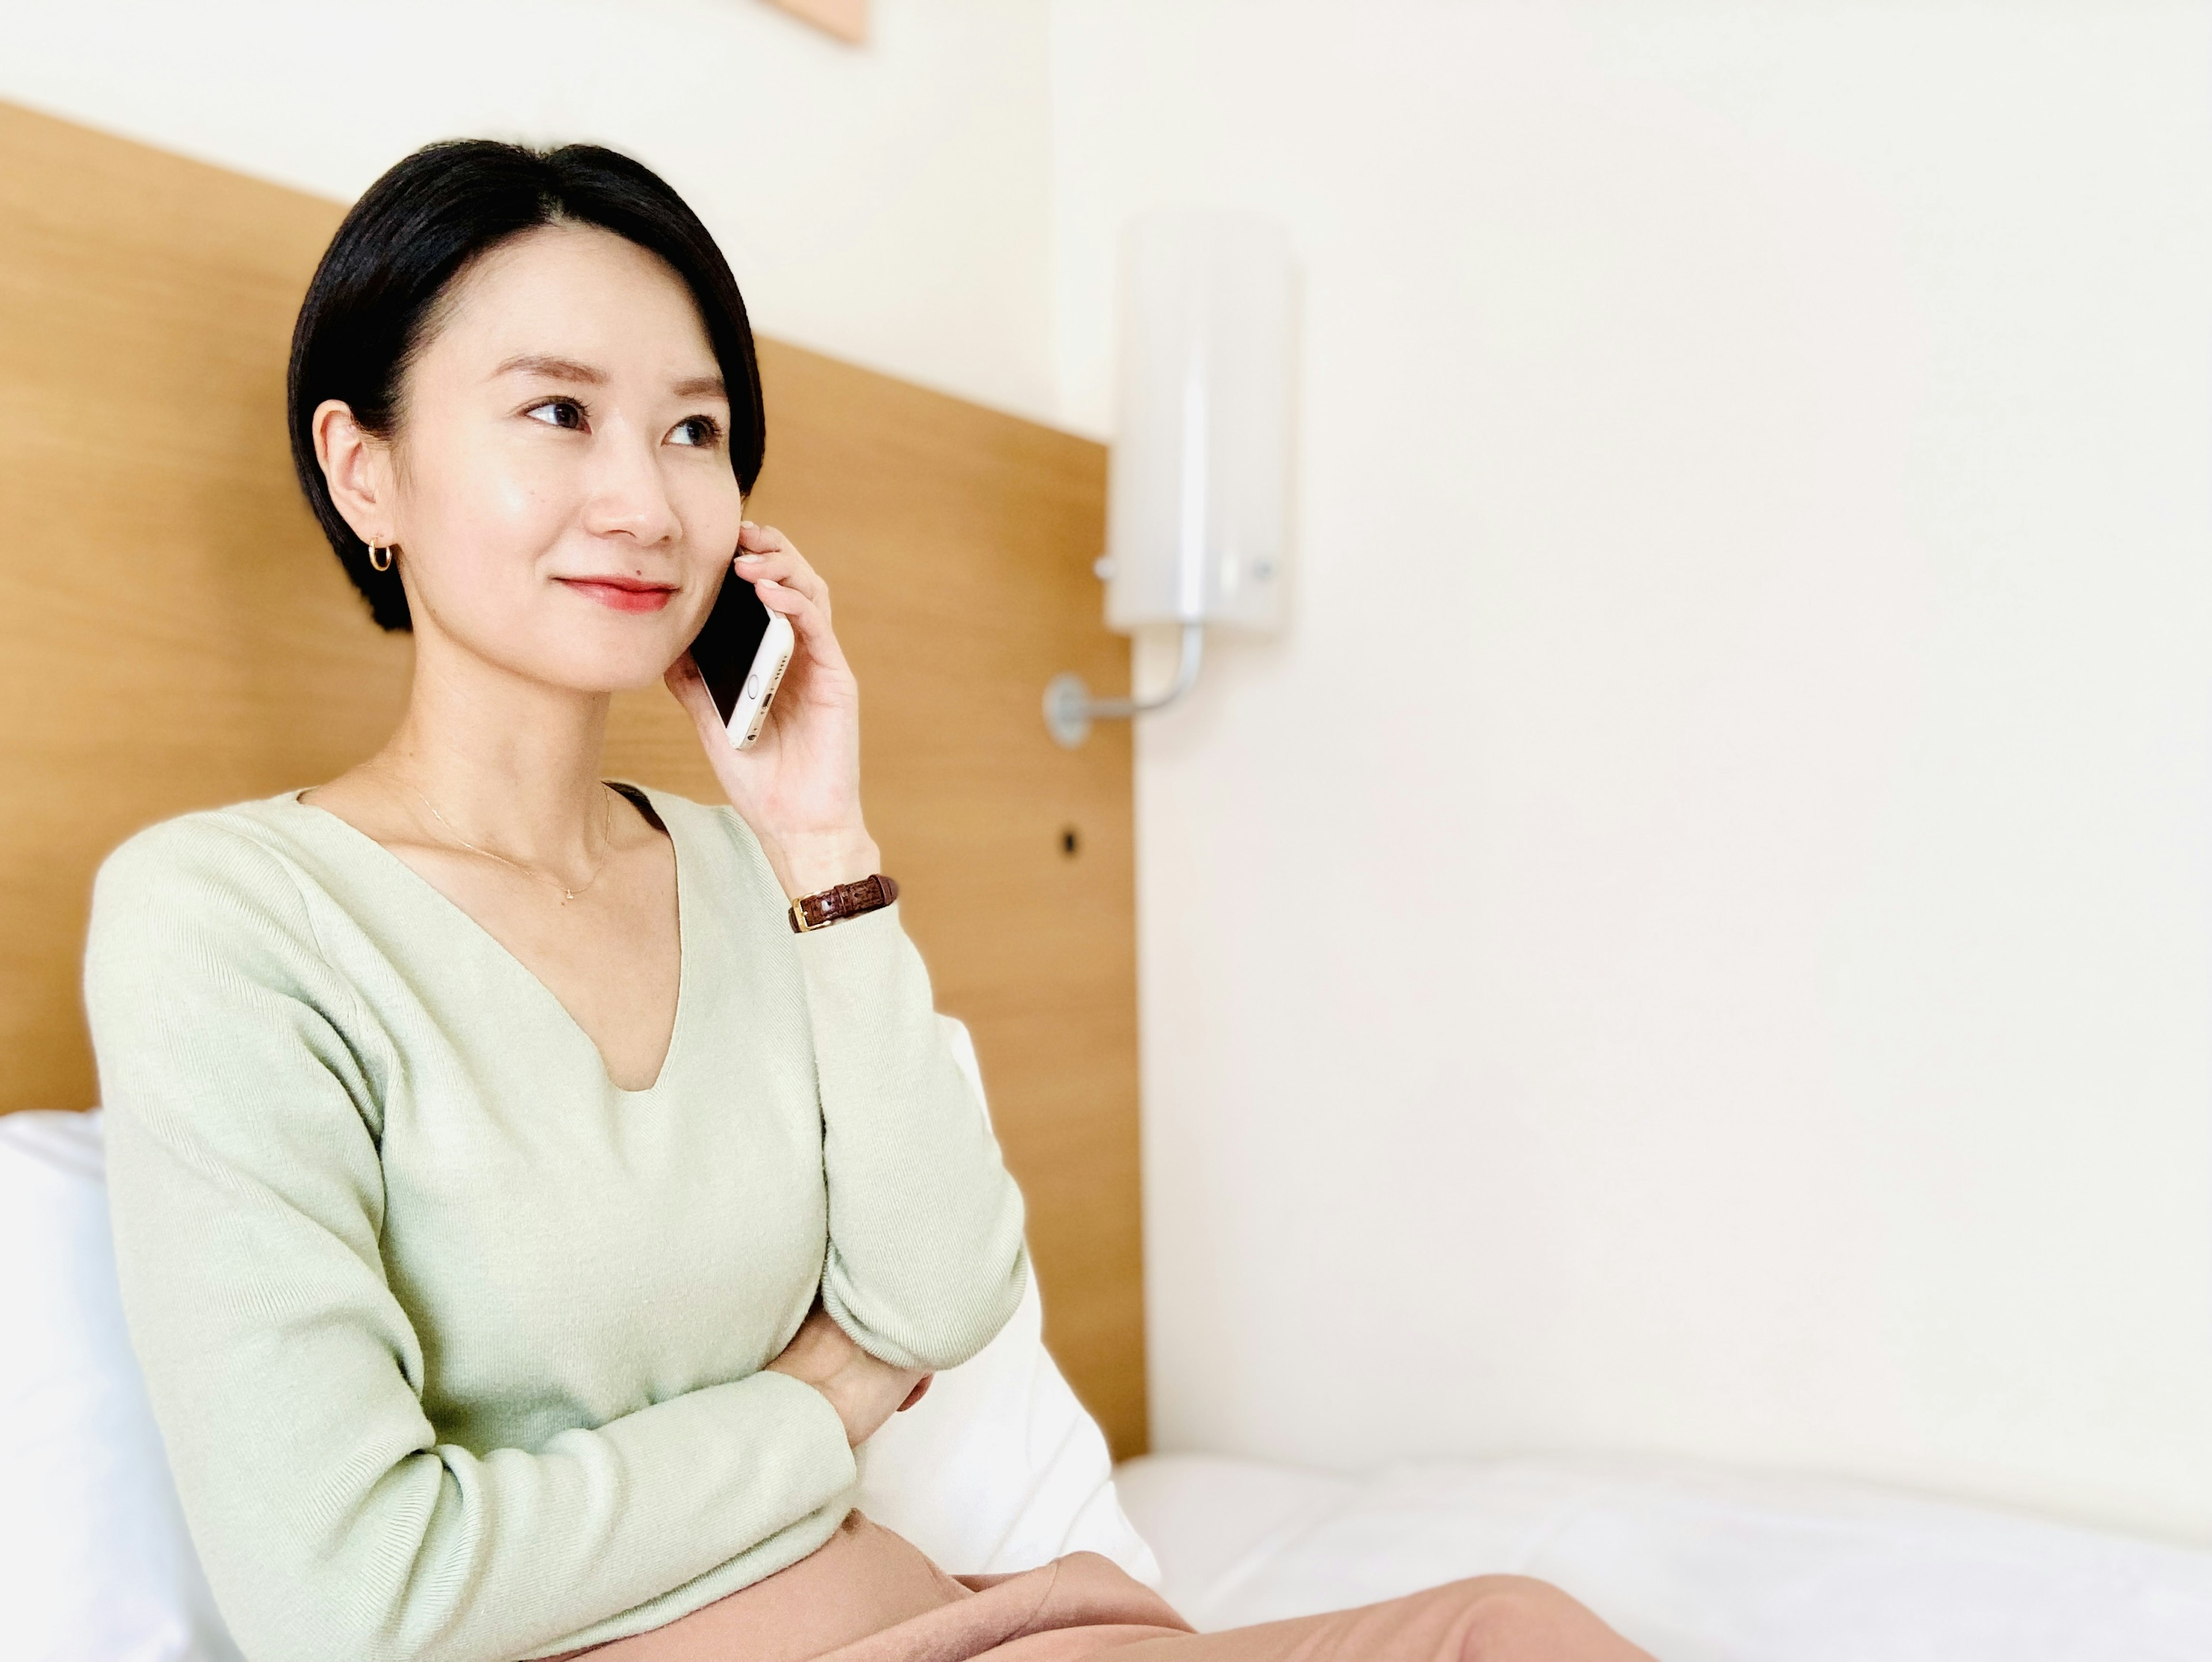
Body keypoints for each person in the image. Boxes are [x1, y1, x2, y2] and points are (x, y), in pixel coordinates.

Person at [81, 140, 1652, 1662]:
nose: (644, 499)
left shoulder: (743, 870)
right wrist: (814, 1409)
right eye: (558, 413)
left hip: (933, 1615)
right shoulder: (228, 921)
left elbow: (939, 1295)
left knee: (1508, 1631)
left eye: (696, 432)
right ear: (367, 471)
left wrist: (819, 839)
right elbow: (354, 1599)